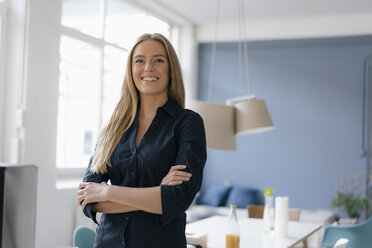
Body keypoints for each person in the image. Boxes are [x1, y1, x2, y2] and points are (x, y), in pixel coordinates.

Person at [77, 33, 207, 248]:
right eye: (139, 60)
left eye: (158, 60)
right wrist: (157, 194)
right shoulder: (113, 127)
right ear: (131, 70)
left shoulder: (188, 123)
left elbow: (177, 200)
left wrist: (109, 191)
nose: (148, 68)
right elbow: (87, 199)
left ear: (170, 69)